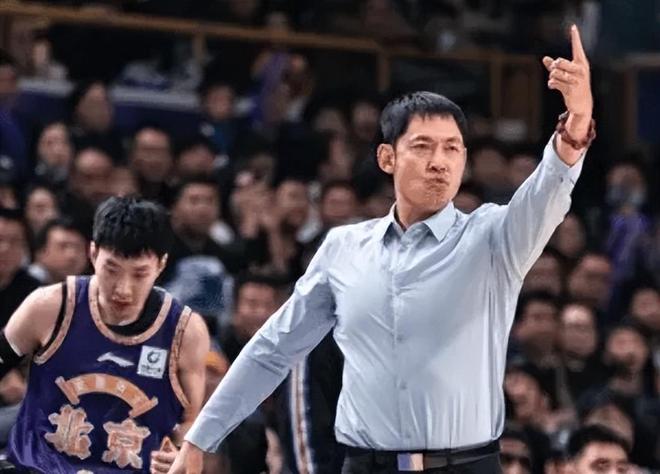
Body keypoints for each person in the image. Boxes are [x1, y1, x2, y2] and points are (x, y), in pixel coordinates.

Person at [171, 25, 595, 474]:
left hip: (466, 465)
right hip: (364, 464)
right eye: (423, 146)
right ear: (387, 158)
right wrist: (200, 439)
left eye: (452, 149)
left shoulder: (494, 236)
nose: (439, 161)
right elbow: (273, 349)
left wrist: (577, 122)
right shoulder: (343, 248)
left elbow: (548, 191)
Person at [1, 197, 210, 473]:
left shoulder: (185, 331)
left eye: (139, 274)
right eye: (112, 270)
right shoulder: (48, 307)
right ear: (93, 253)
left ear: (161, 265)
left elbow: (191, 424)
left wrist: (181, 454)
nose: (123, 289)